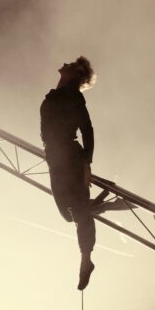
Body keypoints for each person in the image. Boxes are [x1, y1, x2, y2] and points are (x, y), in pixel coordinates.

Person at [40, 56, 98, 290]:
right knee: (67, 213)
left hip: (69, 157)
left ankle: (86, 259)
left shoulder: (74, 96)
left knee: (79, 211)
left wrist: (86, 164)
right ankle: (93, 209)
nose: (66, 63)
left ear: (75, 75)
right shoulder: (56, 95)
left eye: (72, 65)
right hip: (55, 158)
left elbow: (87, 130)